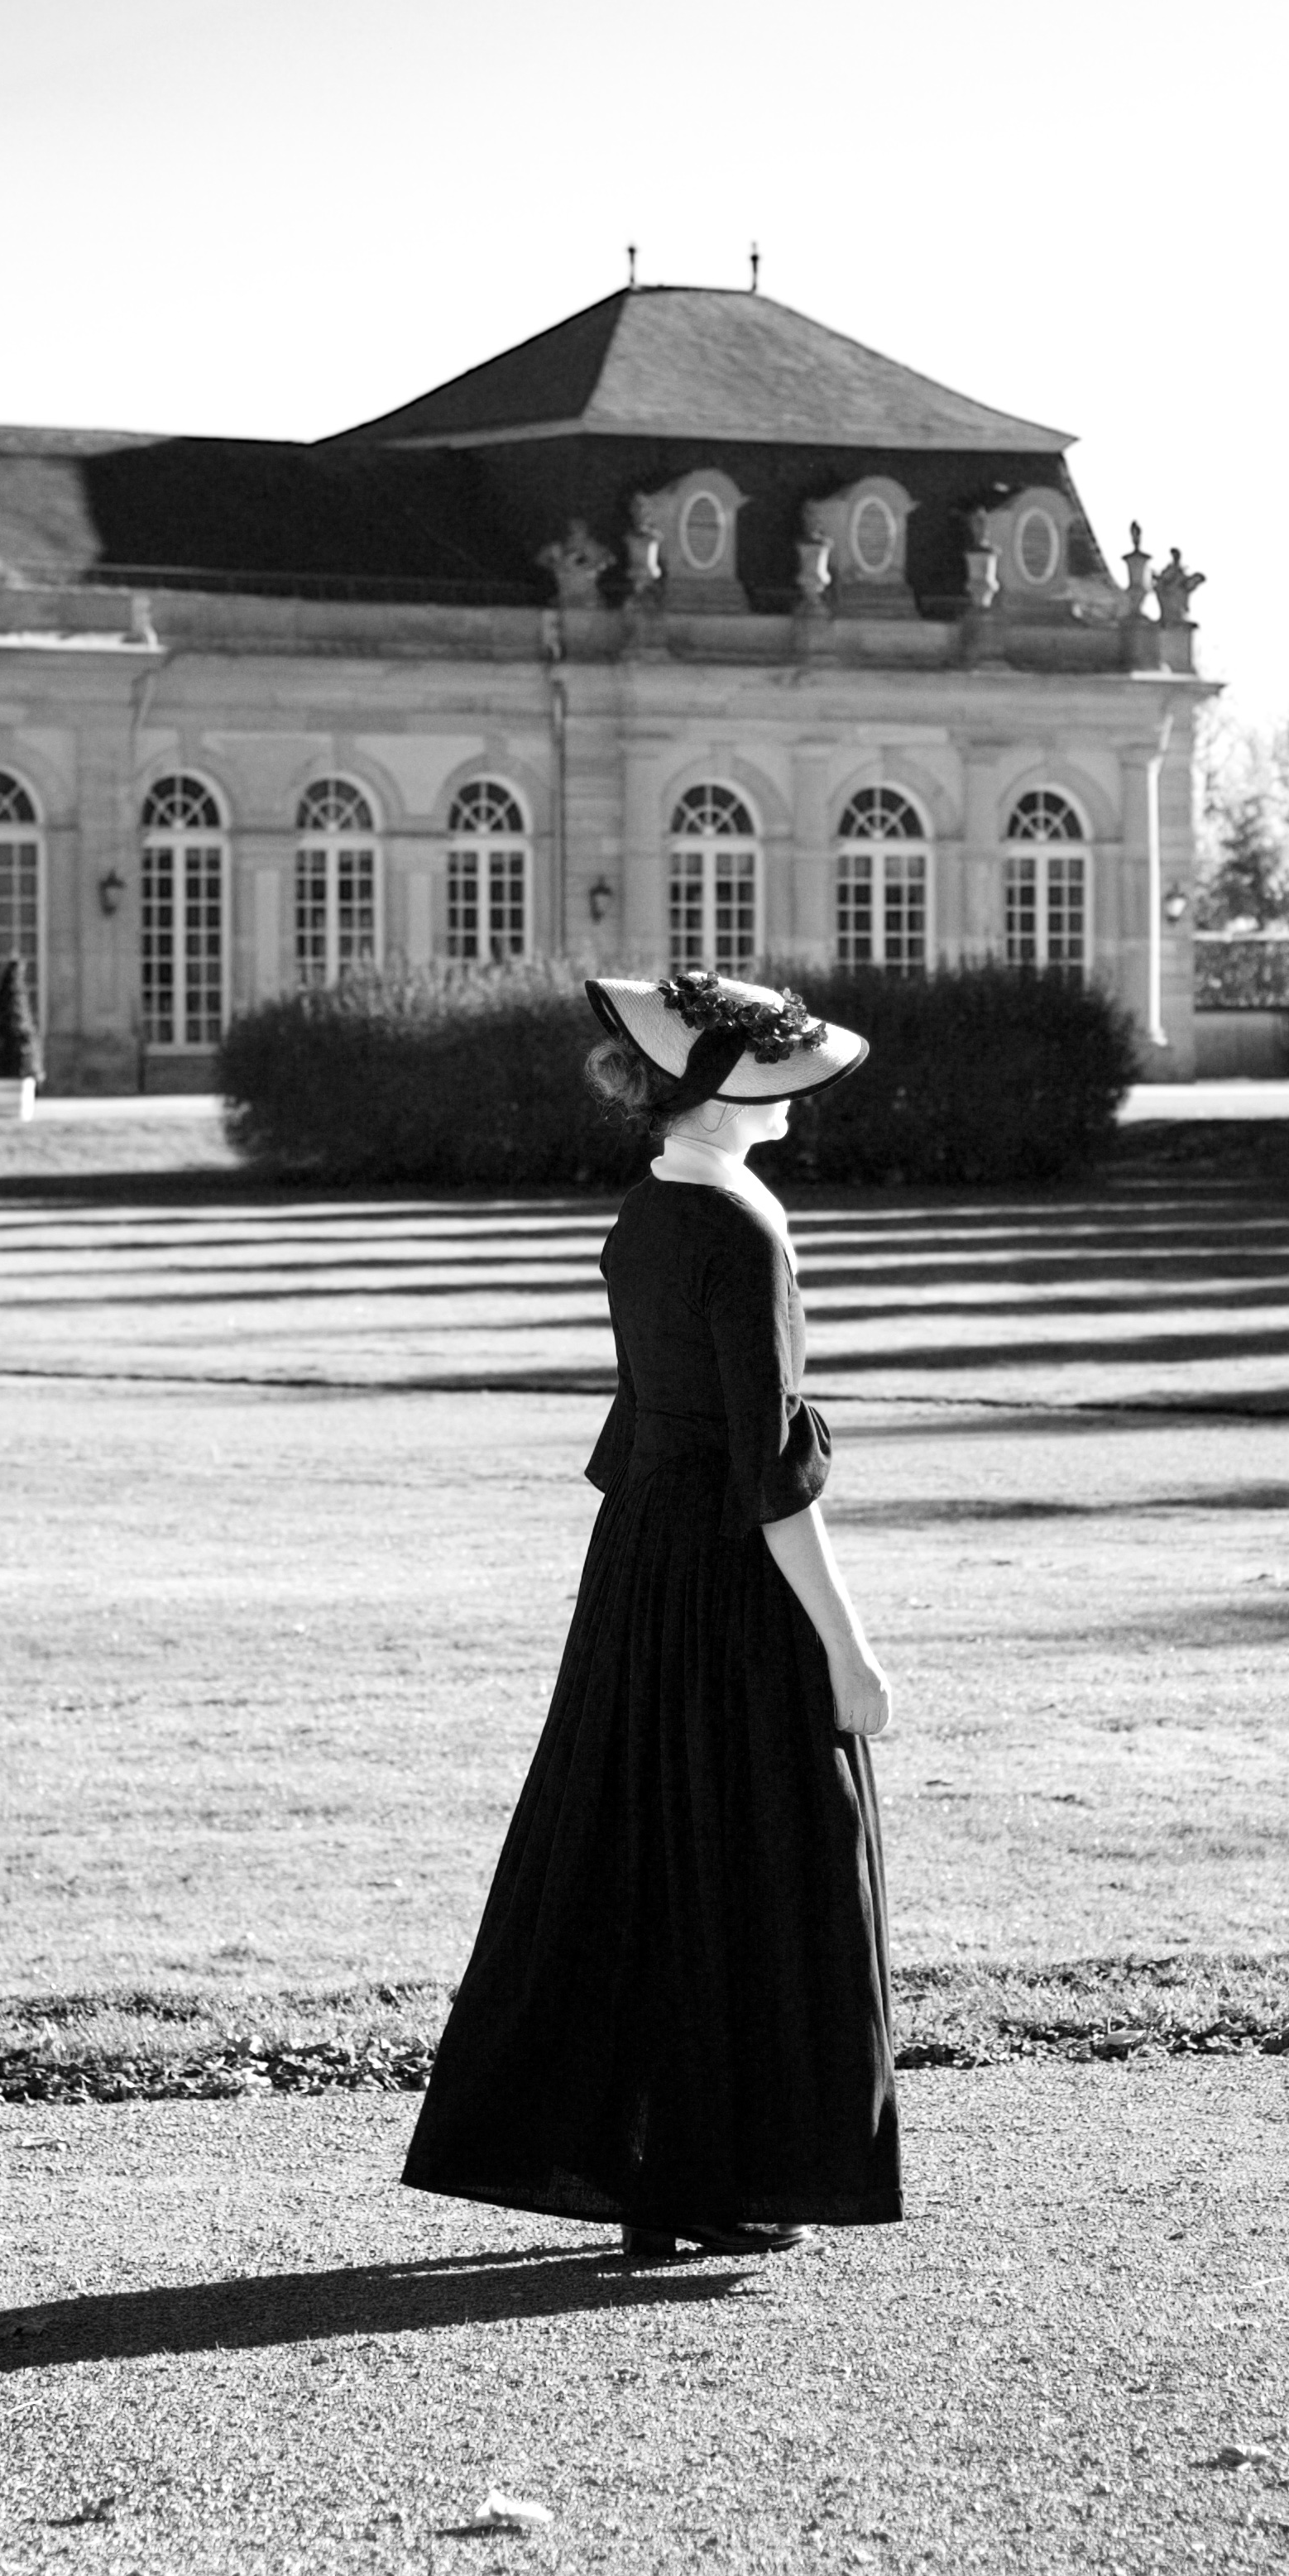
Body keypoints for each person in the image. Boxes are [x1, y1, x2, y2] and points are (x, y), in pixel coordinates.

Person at [400, 966, 902, 2262]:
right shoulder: (738, 1224)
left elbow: (671, 1426)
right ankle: (712, 2175)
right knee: (763, 1852)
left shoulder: (649, 1208)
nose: (794, 1102)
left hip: (642, 1568)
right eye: (776, 1085)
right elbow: (766, 1467)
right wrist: (847, 1648)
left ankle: (667, 2177)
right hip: (727, 1580)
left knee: (654, 1848)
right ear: (721, 1095)